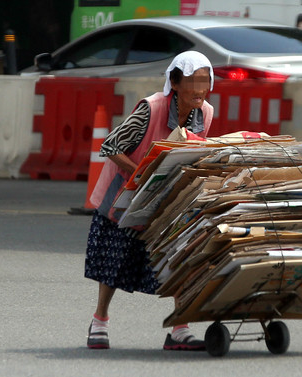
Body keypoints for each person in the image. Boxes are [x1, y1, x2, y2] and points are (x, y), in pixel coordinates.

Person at [84, 51, 214, 350]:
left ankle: (180, 329)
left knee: (179, 254)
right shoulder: (151, 108)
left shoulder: (205, 112)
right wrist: (142, 173)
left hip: (166, 194)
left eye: (205, 81)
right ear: (175, 82)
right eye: (193, 81)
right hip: (126, 190)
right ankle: (99, 320)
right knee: (115, 259)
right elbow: (111, 145)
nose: (200, 89)